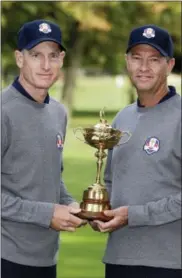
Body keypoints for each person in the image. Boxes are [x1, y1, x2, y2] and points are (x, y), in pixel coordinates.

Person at [90, 24, 181, 278]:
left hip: (168, 264)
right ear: (127, 61)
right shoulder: (122, 118)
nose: (144, 67)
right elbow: (109, 180)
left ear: (170, 65)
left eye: (154, 59)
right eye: (137, 58)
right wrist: (99, 212)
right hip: (119, 259)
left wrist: (133, 215)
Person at [1, 19, 86, 278]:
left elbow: (51, 177)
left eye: (53, 56)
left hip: (46, 258)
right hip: (6, 256)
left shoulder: (58, 112)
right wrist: (47, 213)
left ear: (61, 59)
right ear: (19, 58)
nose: (46, 65)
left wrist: (71, 205)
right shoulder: (3, 111)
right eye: (36, 55)